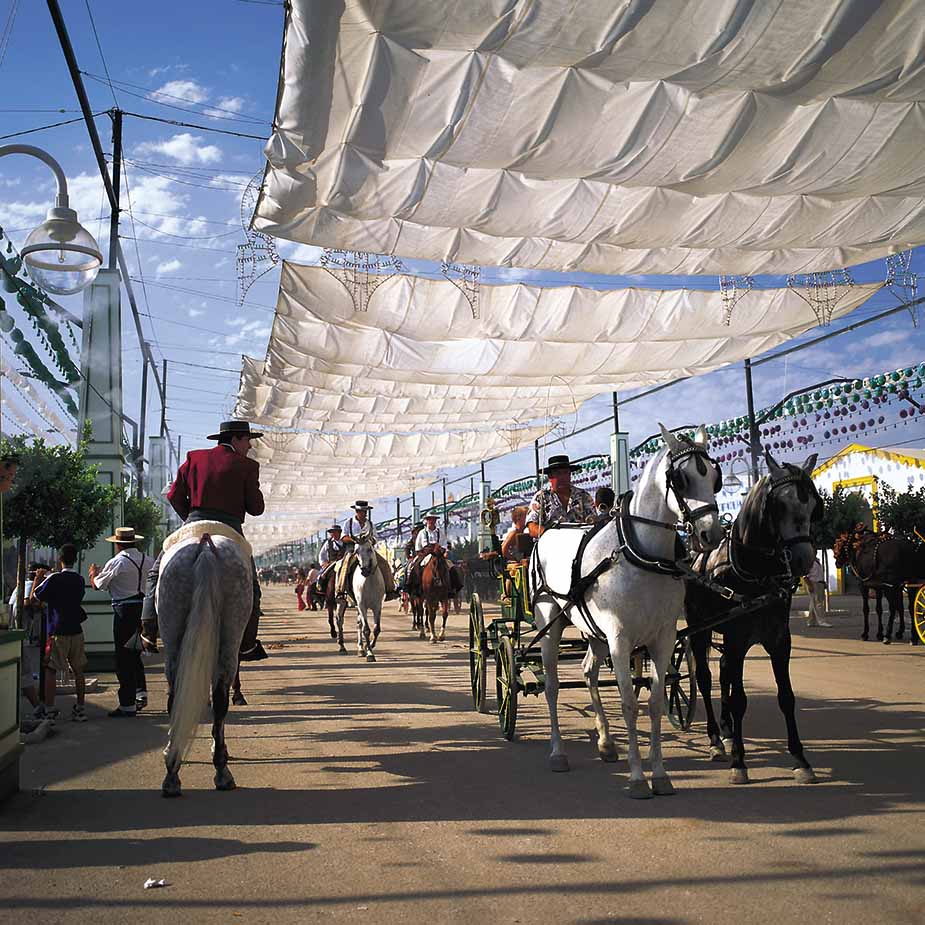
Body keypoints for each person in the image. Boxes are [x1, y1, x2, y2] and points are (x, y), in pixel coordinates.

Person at [141, 420, 268, 661]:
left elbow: (173, 495)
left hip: (193, 523)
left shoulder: (194, 457)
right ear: (236, 440)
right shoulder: (247, 466)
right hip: (229, 528)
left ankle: (148, 631)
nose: (250, 446)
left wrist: (189, 517)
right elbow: (256, 508)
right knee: (252, 587)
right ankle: (248, 644)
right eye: (248, 440)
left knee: (155, 575)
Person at [88, 526, 155, 717]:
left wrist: (93, 574)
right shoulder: (148, 560)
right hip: (143, 611)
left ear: (118, 544)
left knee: (123, 657)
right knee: (135, 652)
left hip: (124, 611)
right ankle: (140, 692)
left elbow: (98, 585)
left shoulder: (117, 562)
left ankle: (127, 703)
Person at [31, 543, 88, 723]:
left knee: (51, 669)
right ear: (75, 559)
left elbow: (35, 597)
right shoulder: (79, 579)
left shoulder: (54, 579)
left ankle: (49, 709)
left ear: (59, 559)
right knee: (78, 669)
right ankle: (80, 708)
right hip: (76, 629)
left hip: (57, 630)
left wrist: (37, 579)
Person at [335, 501, 399, 601]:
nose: (364, 513)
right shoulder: (349, 522)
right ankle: (340, 590)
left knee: (384, 564)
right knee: (345, 564)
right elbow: (343, 537)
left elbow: (375, 538)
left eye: (365, 511)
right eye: (361, 511)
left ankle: (390, 590)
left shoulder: (370, 524)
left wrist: (369, 541)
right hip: (354, 550)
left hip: (368, 550)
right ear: (356, 511)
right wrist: (354, 540)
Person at [526, 454, 594, 538]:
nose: (562, 477)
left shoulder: (583, 496)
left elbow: (593, 521)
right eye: (558, 473)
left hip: (579, 542)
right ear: (550, 477)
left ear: (570, 475)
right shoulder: (541, 497)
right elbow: (532, 527)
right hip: (550, 543)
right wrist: (550, 536)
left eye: (565, 473)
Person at [10, 562, 44, 717]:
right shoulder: (30, 585)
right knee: (25, 673)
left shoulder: (23, 584)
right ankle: (37, 707)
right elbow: (27, 602)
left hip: (17, 633)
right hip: (16, 634)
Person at [317, 524, 346, 593]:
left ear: (339, 532)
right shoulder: (328, 542)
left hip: (344, 563)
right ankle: (322, 590)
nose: (333, 534)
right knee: (322, 576)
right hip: (332, 564)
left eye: (335, 532)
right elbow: (321, 554)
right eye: (331, 532)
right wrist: (323, 563)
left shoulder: (345, 541)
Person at [805, 556, 832, 628]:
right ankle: (822, 621)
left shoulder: (817, 561)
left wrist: (823, 582)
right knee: (818, 603)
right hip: (813, 583)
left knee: (813, 603)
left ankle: (811, 621)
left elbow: (818, 574)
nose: (815, 552)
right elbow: (805, 576)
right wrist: (810, 585)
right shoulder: (809, 562)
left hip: (819, 583)